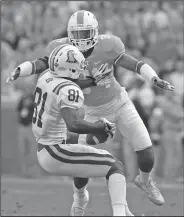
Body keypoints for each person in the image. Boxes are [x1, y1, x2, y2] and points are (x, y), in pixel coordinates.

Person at [7, 10, 175, 207]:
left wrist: (153, 77)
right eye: (76, 34)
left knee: (146, 149)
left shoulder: (108, 45)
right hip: (89, 110)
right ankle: (79, 195)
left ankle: (145, 181)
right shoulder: (61, 49)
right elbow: (42, 62)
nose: (80, 39)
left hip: (118, 101)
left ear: (95, 32)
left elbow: (135, 64)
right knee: (81, 161)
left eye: (85, 33)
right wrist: (21, 69)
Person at [31, 44, 133, 216]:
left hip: (48, 145)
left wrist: (93, 81)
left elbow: (70, 79)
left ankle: (80, 202)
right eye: (78, 65)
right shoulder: (69, 90)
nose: (82, 68)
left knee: (82, 162)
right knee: (115, 166)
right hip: (55, 151)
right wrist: (99, 126)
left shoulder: (46, 76)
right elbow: (74, 124)